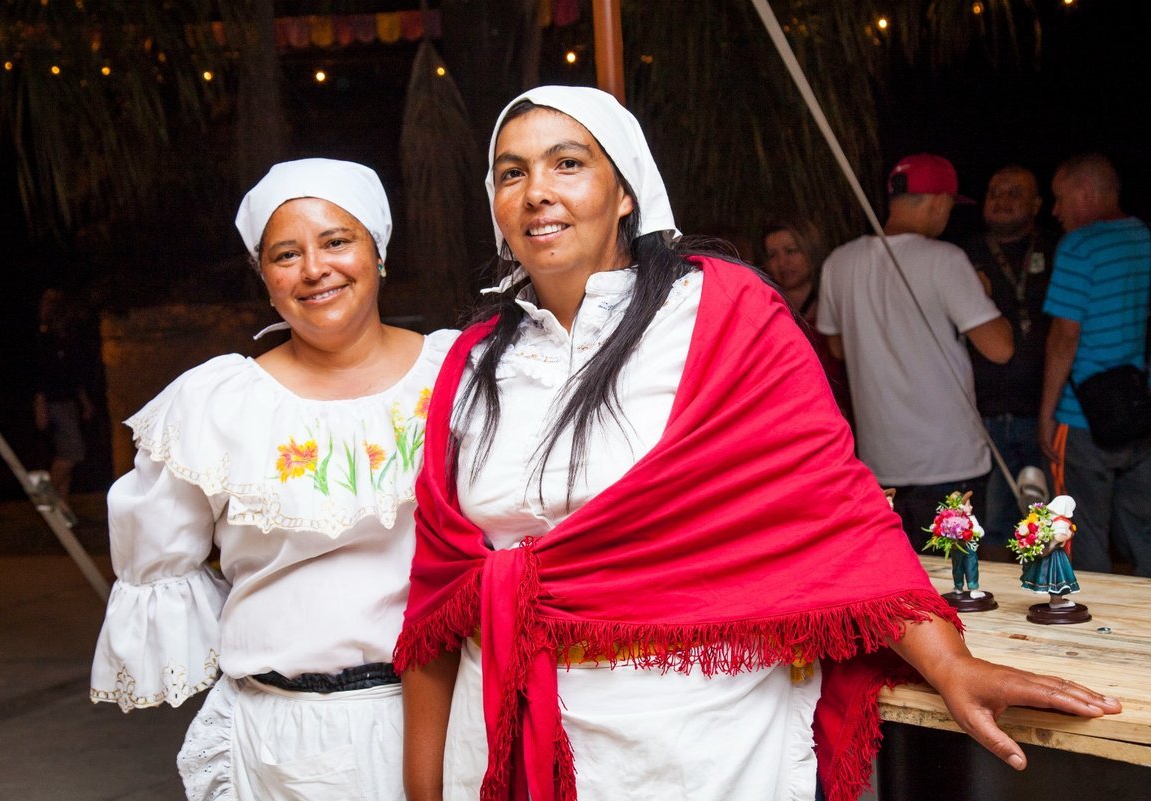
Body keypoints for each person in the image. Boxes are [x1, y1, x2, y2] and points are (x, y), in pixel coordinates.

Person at [396, 87, 1119, 801]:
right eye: (512, 172)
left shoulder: (719, 313)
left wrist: (950, 662)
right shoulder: (472, 361)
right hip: (499, 733)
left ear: (625, 191)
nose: (536, 192)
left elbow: (832, 506)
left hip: (695, 739)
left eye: (567, 164)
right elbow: (441, 593)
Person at [89, 159, 456, 800]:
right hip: (277, 739)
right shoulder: (218, 404)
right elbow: (156, 557)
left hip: (444, 720)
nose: (314, 269)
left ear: (378, 253)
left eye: (337, 241)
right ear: (265, 278)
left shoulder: (458, 372)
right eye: (286, 254)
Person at [817, 153, 1015, 547]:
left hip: (880, 462)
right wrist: (983, 293)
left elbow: (837, 346)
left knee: (897, 574)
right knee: (957, 576)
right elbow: (1001, 348)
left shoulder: (839, 263)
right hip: (949, 460)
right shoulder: (944, 260)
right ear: (938, 202)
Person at [1039, 153, 1151, 575]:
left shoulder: (1080, 246)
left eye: (1060, 197)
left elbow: (1065, 336)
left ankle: (1088, 612)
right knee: (1142, 529)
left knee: (1078, 530)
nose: (1056, 210)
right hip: (1137, 407)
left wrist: (1046, 414)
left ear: (1086, 192)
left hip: (1081, 415)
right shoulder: (1143, 237)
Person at [960, 166, 1057, 541]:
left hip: (1045, 413)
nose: (1001, 200)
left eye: (1013, 193)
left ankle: (1052, 580)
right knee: (993, 525)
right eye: (993, 193)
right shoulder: (964, 255)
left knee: (1051, 523)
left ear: (1037, 204)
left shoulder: (1056, 249)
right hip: (984, 412)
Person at [761, 218, 854, 425]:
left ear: (810, 251)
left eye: (791, 251)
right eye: (773, 255)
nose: (782, 262)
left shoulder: (839, 303)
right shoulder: (764, 309)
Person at [33, 287, 95, 501]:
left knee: (64, 453)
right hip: (55, 403)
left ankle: (62, 508)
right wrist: (40, 406)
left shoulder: (66, 337)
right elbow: (40, 375)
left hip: (68, 402)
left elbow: (73, 374)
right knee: (74, 453)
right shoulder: (45, 338)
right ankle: (43, 497)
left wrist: (84, 402)